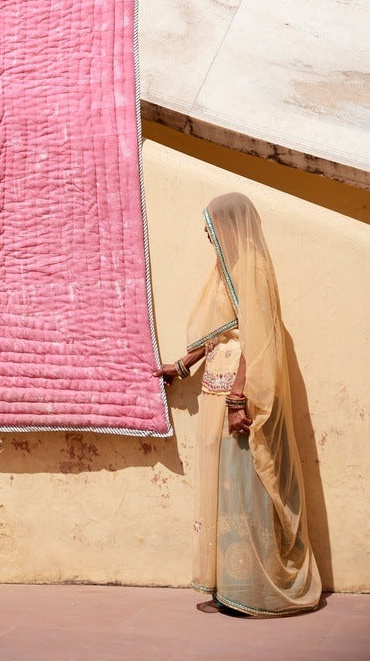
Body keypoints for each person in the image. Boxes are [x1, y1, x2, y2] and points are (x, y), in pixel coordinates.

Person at [159, 192, 321, 617]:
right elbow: (219, 330)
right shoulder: (226, 270)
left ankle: (255, 592)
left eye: (212, 227)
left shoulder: (253, 268)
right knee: (226, 491)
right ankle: (231, 585)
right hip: (218, 390)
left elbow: (258, 337)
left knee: (248, 490)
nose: (207, 235)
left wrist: (238, 398)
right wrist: (183, 365)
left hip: (241, 395)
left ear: (231, 226)